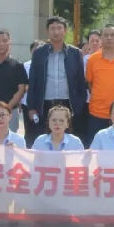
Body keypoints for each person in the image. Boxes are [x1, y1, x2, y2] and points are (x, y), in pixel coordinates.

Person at [27, 17, 88, 146]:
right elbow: (33, 81)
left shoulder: (75, 53)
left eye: (59, 28)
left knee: (68, 140)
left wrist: (79, 105)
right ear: (47, 31)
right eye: (52, 29)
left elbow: (80, 82)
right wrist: (31, 107)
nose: (56, 32)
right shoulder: (39, 53)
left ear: (65, 31)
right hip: (45, 103)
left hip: (68, 103)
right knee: (45, 138)